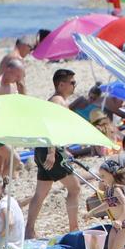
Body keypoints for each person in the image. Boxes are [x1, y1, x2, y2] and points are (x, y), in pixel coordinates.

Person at [27, 68, 85, 236]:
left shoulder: (57, 101)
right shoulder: (57, 101)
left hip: (44, 149)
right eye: (72, 82)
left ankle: (29, 230)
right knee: (75, 188)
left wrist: (63, 149)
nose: (75, 85)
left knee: (41, 193)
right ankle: (74, 228)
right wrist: (52, 152)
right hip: (49, 150)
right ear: (61, 84)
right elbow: (49, 127)